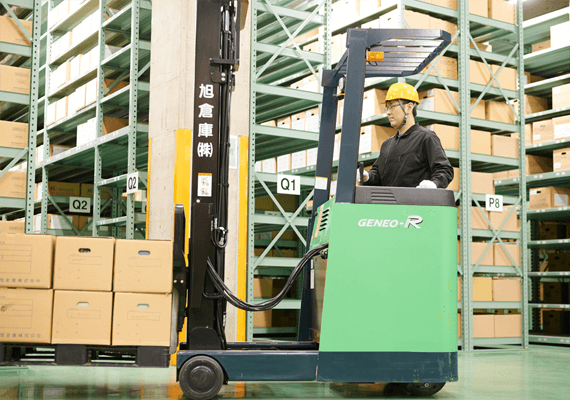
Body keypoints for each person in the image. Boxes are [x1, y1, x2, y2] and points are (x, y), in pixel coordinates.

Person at [358, 83, 453, 189]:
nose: (388, 112)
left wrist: (434, 184)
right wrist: (367, 176)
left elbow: (445, 170)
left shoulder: (425, 138)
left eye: (392, 106)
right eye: (387, 108)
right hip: (389, 199)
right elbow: (378, 175)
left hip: (415, 199)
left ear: (409, 107)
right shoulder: (387, 145)